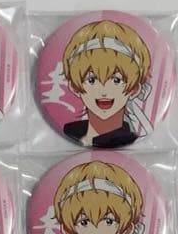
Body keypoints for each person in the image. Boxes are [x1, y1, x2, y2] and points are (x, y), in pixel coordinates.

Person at [60, 20, 151, 148]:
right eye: (91, 80)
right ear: (74, 87)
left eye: (116, 80)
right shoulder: (69, 131)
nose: (104, 91)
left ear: (134, 89)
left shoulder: (131, 137)